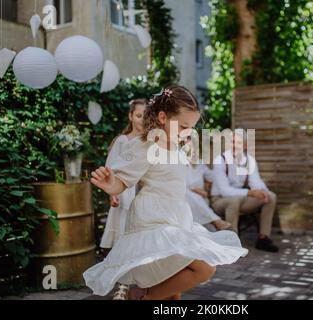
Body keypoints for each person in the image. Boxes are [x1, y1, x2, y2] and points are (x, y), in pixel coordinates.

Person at [83, 85, 248, 300]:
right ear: (162, 117)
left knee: (173, 286)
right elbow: (123, 182)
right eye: (183, 126)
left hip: (177, 221)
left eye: (191, 128)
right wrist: (109, 185)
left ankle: (147, 296)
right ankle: (142, 297)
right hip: (153, 222)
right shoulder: (145, 146)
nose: (187, 132)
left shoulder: (177, 148)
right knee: (204, 268)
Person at [210, 130, 279, 252]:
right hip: (219, 200)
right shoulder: (220, 160)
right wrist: (249, 193)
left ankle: (263, 239)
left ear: (246, 145)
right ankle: (232, 244)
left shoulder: (249, 161)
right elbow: (225, 191)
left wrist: (263, 191)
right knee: (234, 201)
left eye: (239, 143)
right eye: (232, 142)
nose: (235, 145)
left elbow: (256, 182)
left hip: (241, 199)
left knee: (270, 196)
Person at [100, 99, 146, 249]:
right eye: (139, 115)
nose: (143, 119)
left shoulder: (150, 141)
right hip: (125, 191)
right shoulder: (122, 141)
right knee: (124, 225)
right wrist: (111, 194)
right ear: (131, 116)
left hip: (144, 190)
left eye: (146, 116)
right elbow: (110, 168)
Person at [186, 162, 232, 230]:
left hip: (202, 199)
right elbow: (180, 187)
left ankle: (214, 222)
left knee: (195, 199)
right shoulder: (180, 165)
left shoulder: (201, 165)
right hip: (187, 199)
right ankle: (215, 220)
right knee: (188, 195)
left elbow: (213, 177)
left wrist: (208, 190)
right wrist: (195, 190)